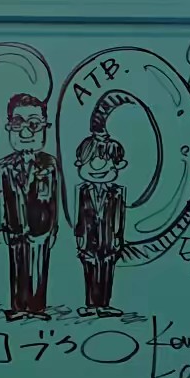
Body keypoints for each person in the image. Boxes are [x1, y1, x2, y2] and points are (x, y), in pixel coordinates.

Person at [0, 93, 57, 322]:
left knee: (39, 265)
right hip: (15, 226)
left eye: (33, 124)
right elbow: (3, 197)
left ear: (44, 127)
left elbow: (54, 197)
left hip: (41, 227)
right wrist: (4, 223)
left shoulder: (50, 164)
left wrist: (53, 227)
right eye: (17, 124)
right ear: (9, 127)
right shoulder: (5, 165)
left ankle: (36, 307)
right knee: (17, 265)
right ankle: (19, 306)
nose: (25, 132)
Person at [74, 130, 127, 317]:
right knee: (89, 269)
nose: (97, 166)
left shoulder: (117, 192)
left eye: (106, 160)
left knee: (106, 270)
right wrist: (79, 235)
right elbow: (79, 215)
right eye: (90, 160)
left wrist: (118, 237)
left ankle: (104, 305)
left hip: (109, 239)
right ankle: (91, 305)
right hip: (89, 239)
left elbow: (119, 216)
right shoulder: (82, 191)